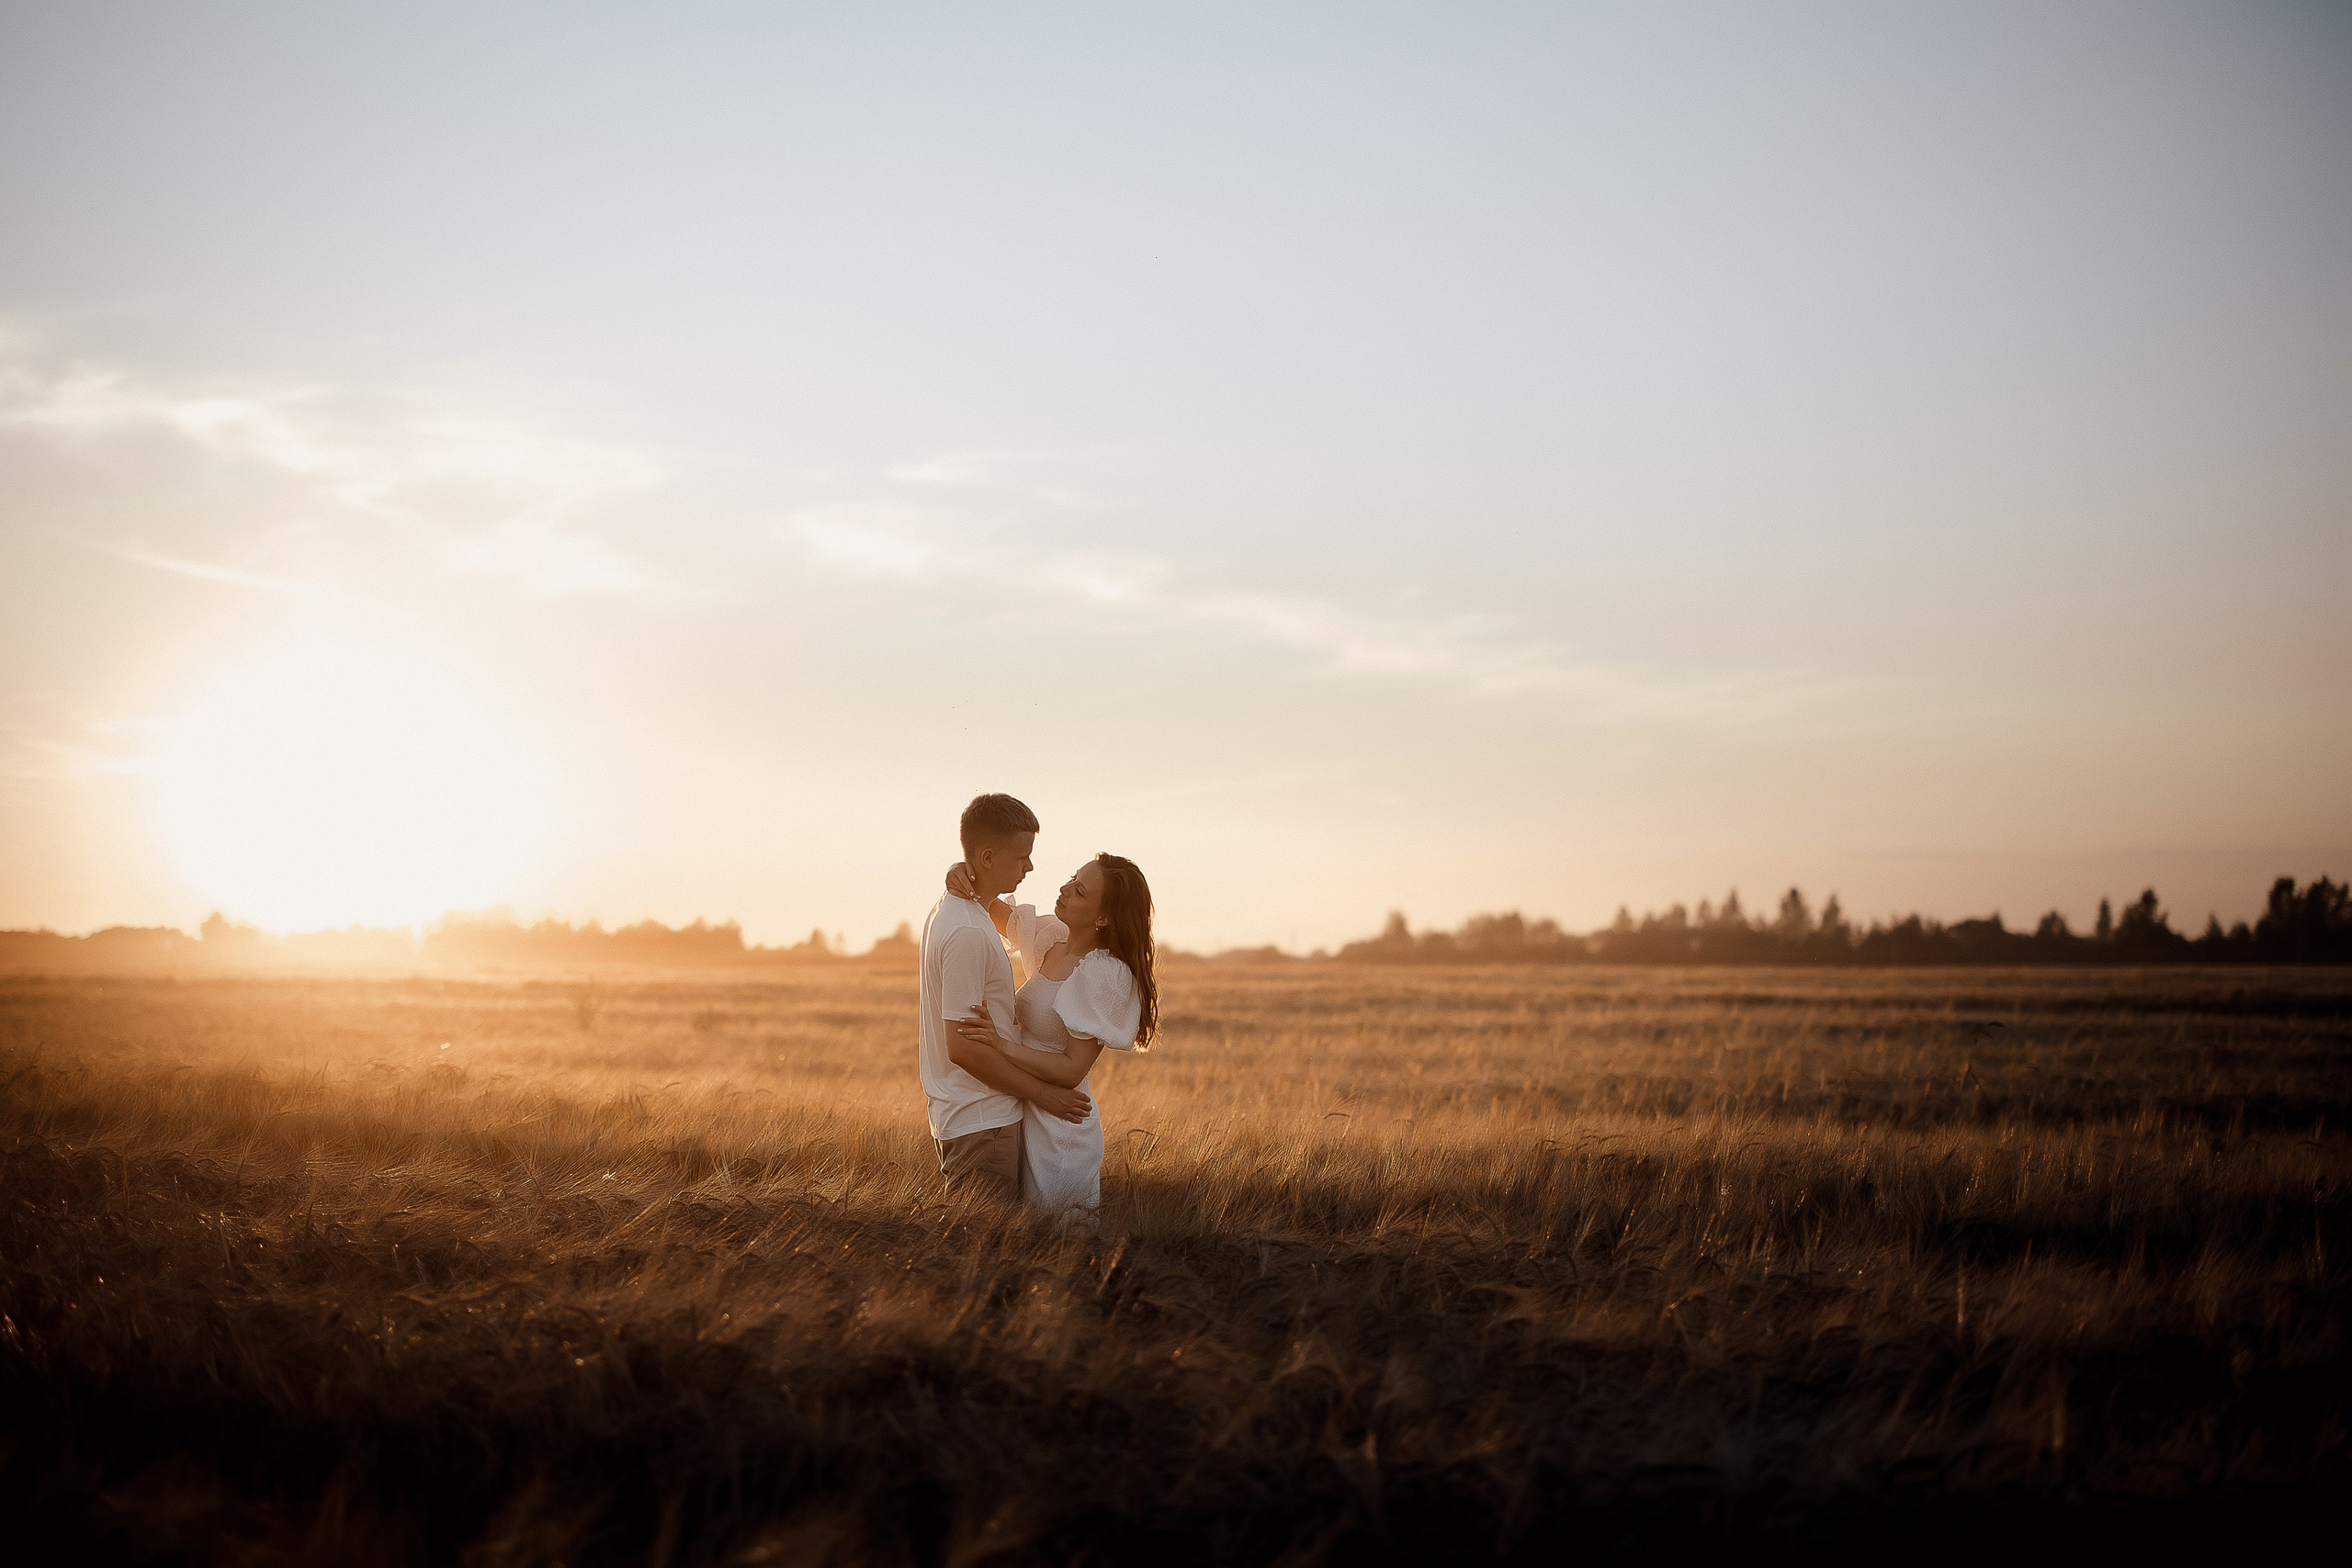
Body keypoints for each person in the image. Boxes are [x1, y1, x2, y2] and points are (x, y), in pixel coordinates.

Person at [946, 851, 1159, 1224]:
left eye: (1079, 891)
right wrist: (958, 873)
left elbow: (1070, 1070)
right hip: (1025, 1106)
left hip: (1061, 1125)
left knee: (1064, 1242)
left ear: (1103, 917)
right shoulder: (1052, 939)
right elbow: (993, 907)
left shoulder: (1103, 974)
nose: (1063, 889)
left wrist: (1000, 1044)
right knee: (1021, 1238)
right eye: (1072, 879)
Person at [919, 794, 1092, 1201]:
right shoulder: (968, 932)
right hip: (982, 1119)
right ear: (988, 857)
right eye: (1021, 857)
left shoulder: (955, 911)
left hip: (976, 1115)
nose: (1029, 867)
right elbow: (963, 1048)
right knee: (987, 1254)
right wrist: (1043, 1093)